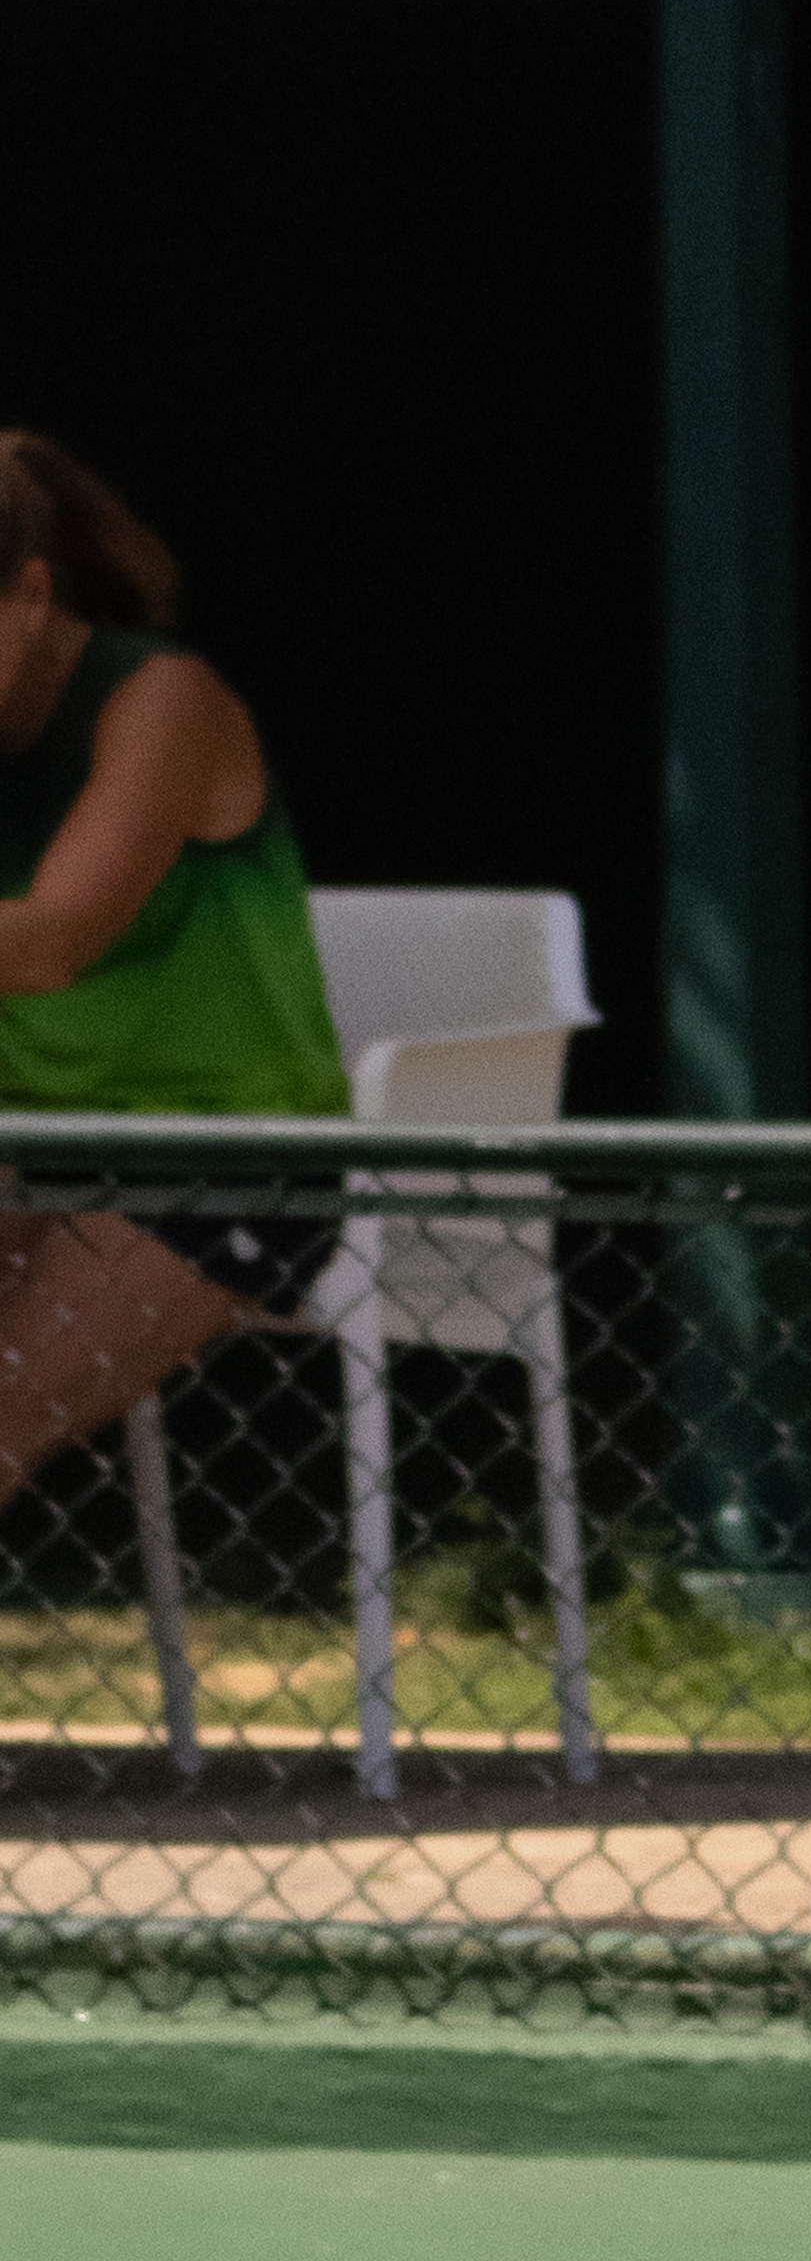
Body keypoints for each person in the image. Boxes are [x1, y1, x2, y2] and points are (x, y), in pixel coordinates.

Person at [0, 430, 351, 1510]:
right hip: (29, 1144)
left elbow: (54, 940)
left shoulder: (163, 702)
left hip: (222, 1163)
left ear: (30, 589)